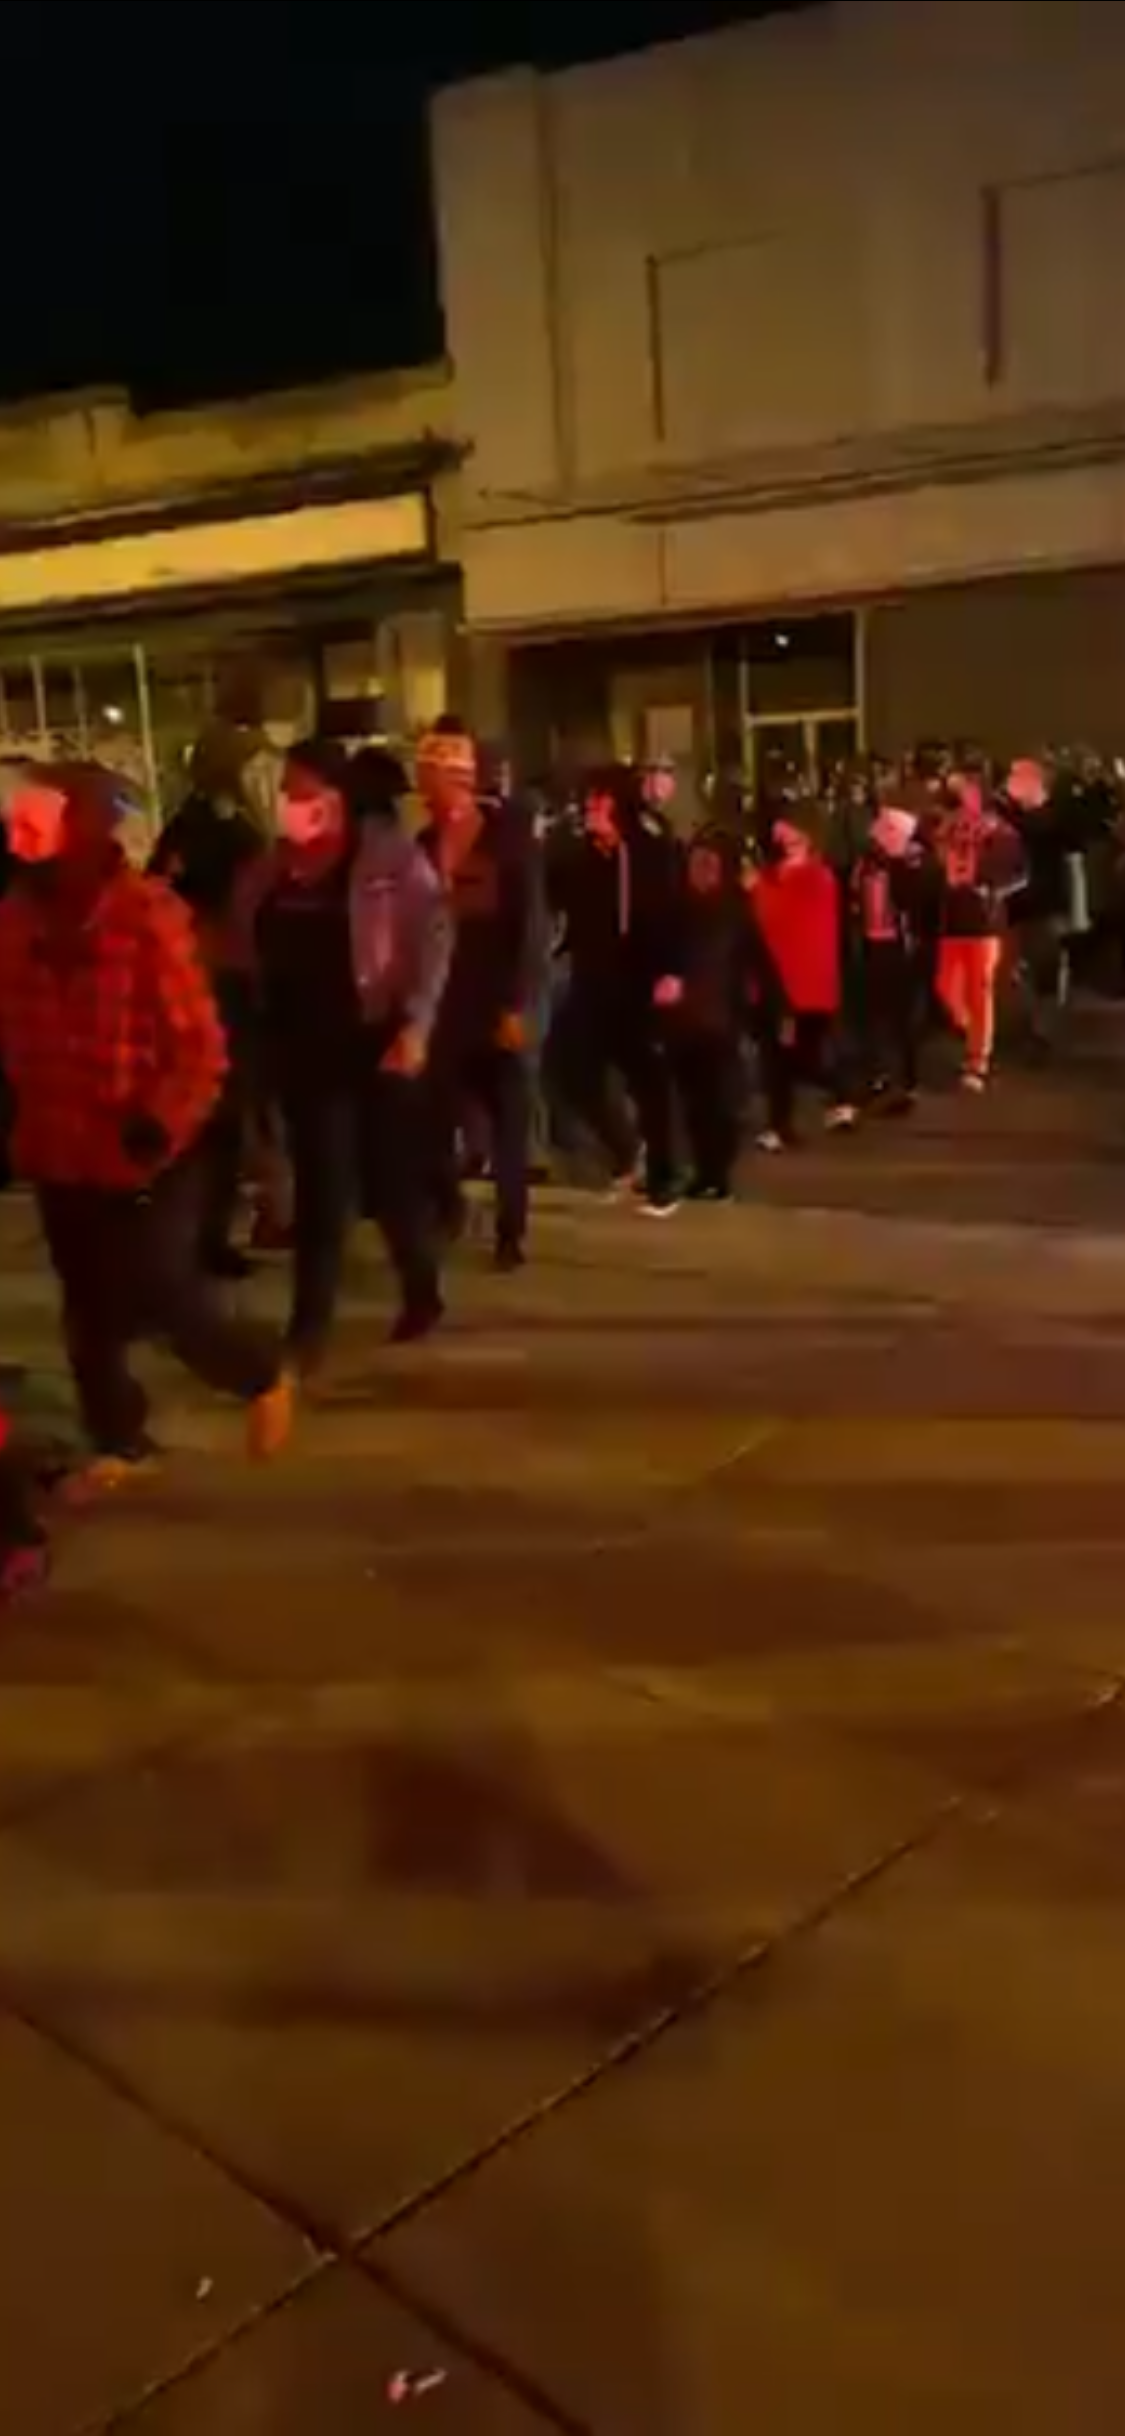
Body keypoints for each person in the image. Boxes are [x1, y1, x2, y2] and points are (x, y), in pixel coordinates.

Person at [0, 762, 291, 1495]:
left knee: (163, 1291)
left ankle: (259, 1374)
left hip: (148, 1147)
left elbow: (200, 1047)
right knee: (87, 1308)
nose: (23, 827)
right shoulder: (17, 917)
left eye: (43, 813)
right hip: (56, 1142)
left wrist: (160, 1122)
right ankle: (118, 1439)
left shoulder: (146, 916)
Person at [255, 740, 449, 1374]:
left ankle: (421, 1288)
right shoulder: (277, 866)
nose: (291, 804)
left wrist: (416, 1025)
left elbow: (432, 938)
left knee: (389, 1185)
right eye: (286, 792)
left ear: (337, 796)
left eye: (303, 792)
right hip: (305, 1049)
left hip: (375, 1041)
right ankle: (308, 1328)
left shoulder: (390, 859)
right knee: (322, 1190)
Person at [149, 722, 273, 1278]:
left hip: (215, 978)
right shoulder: (214, 829)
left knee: (225, 1119)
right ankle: (205, 1235)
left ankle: (210, 1231)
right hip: (217, 982)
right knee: (218, 1117)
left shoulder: (197, 825)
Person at [417, 716, 537, 1270]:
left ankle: (511, 1230)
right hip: (442, 1006)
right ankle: (448, 1205)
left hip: (493, 1000)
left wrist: (515, 1003)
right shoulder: (421, 846)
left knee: (509, 1119)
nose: (427, 790)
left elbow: (526, 926)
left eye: (434, 777)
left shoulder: (505, 842)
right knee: (434, 1116)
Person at [547, 761, 685, 1216]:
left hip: (641, 979)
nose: (590, 807)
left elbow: (673, 913)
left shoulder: (652, 853)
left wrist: (672, 970)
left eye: (599, 799)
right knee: (570, 1069)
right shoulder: (579, 857)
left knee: (649, 1079)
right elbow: (553, 899)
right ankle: (626, 1150)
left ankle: (665, 1176)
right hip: (592, 978)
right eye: (588, 798)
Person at [746, 806, 857, 1151]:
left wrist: (758, 888)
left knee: (791, 1056)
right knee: (785, 1057)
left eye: (792, 834)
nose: (785, 841)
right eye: (781, 835)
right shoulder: (773, 877)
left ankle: (794, 1119)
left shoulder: (817, 878)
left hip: (801, 986)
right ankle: (827, 1103)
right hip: (775, 982)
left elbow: (787, 919)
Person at [933, 770, 1025, 1090]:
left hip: (985, 922)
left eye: (969, 791)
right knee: (946, 986)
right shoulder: (946, 827)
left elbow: (1020, 873)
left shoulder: (1001, 831)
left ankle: (977, 1059)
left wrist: (993, 890)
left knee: (980, 989)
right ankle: (972, 1028)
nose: (964, 798)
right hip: (951, 919)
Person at [673, 826, 748, 1199]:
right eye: (695, 864)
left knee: (718, 1101)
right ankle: (704, 1171)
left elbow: (755, 961)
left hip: (719, 1020)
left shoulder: (733, 911)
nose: (700, 872)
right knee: (694, 1102)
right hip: (685, 1021)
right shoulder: (680, 909)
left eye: (708, 865)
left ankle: (717, 1173)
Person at [851, 799, 935, 1110]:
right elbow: (855, 896)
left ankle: (906, 1078)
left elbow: (916, 904)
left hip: (902, 948)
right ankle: (880, 1074)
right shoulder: (867, 863)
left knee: (903, 1018)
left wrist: (899, 865)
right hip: (872, 943)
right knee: (873, 1015)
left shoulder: (913, 864)